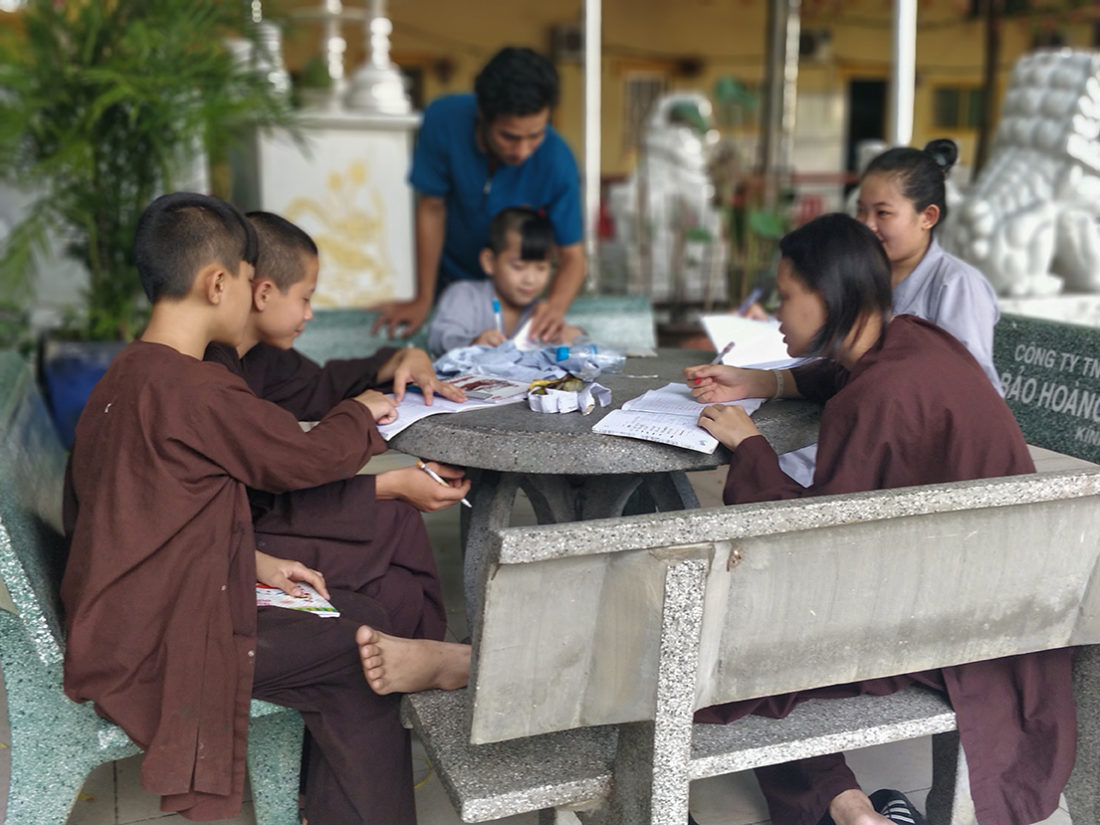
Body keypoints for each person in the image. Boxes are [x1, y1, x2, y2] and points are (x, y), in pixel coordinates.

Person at [61, 193, 471, 825]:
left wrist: (253, 559)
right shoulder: (193, 388)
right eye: (250, 279)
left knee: (358, 624)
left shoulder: (130, 375)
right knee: (362, 644)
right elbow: (300, 462)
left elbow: (158, 519)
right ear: (217, 283)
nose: (255, 294)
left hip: (138, 616)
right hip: (157, 642)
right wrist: (360, 413)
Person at [685, 214, 1074, 825]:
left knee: (734, 650)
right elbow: (845, 371)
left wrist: (751, 446)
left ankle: (846, 808)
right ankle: (857, 812)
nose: (776, 315)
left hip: (952, 629)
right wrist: (764, 380)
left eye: (786, 297)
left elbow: (812, 552)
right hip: (1004, 601)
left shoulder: (876, 401)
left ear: (830, 296)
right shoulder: (915, 339)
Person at [778, 138, 1002, 487]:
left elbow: (971, 390)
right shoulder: (872, 274)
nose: (867, 225)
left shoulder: (957, 285)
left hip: (923, 457)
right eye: (861, 211)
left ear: (927, 217)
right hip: (868, 427)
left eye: (882, 213)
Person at [375, 46, 585, 343]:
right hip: (447, 283)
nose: (523, 150)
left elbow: (572, 255)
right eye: (509, 136)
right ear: (483, 115)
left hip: (513, 296)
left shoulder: (558, 161)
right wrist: (423, 298)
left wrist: (555, 308)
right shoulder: (443, 120)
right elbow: (431, 207)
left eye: (536, 135)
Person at [427, 205, 585, 356]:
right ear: (489, 262)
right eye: (518, 266)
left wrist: (573, 336)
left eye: (541, 268)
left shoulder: (539, 313)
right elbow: (438, 339)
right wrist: (472, 344)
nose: (530, 280)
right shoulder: (464, 296)